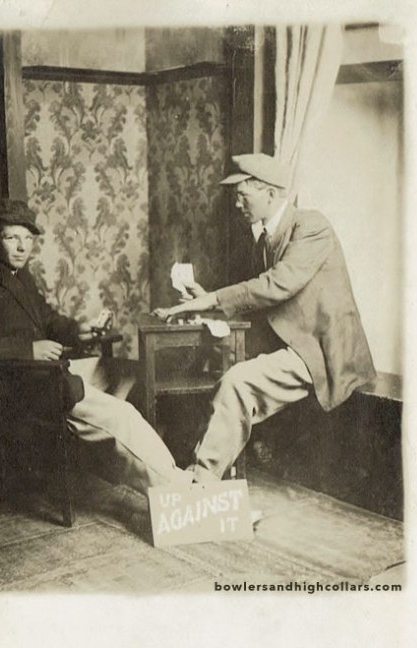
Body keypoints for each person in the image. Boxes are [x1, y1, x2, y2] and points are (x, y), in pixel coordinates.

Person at [154, 153, 376, 484]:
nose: (237, 204)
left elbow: (276, 285)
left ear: (270, 194)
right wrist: (206, 301)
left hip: (322, 352)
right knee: (218, 368)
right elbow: (258, 297)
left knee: (237, 382)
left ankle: (201, 482)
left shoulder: (312, 226)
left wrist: (213, 299)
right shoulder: (265, 240)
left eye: (243, 195)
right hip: (294, 345)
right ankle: (199, 465)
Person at [0, 198, 191, 496]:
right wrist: (29, 350)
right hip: (21, 383)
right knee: (122, 415)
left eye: (28, 238)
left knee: (131, 374)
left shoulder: (20, 275)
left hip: (47, 371)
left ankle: (126, 460)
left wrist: (78, 330)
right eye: (12, 238)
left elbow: (47, 319)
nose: (23, 247)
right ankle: (177, 490)